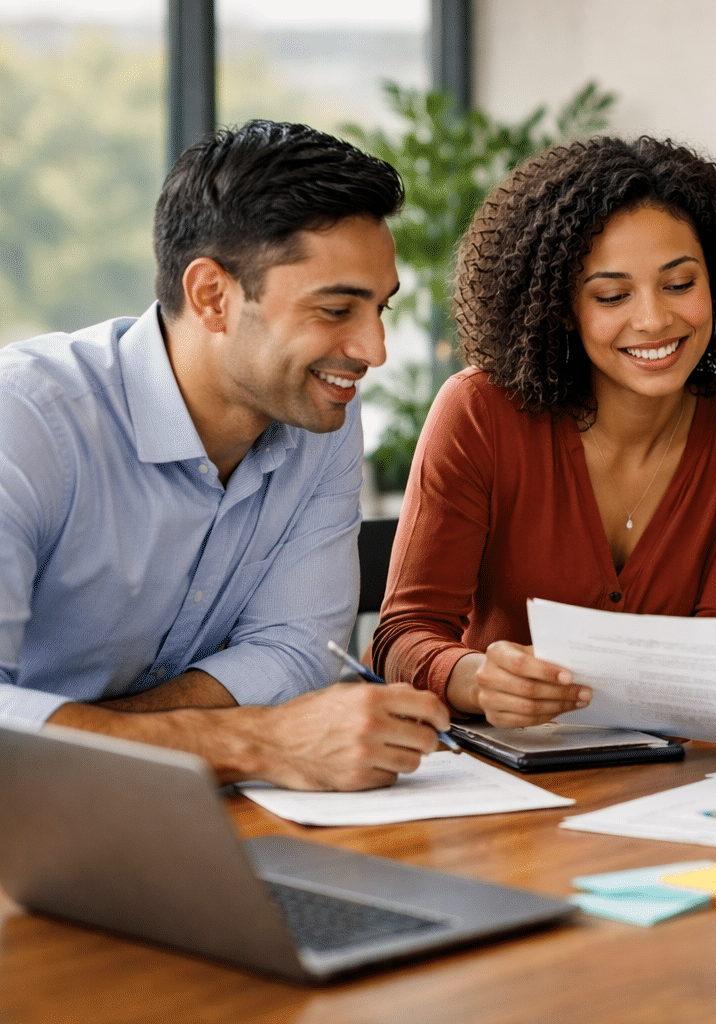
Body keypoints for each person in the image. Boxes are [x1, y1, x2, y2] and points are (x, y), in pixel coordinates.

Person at [0, 120, 451, 792]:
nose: (374, 351)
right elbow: (269, 716)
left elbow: (295, 649)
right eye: (336, 310)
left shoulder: (323, 416)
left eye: (380, 309)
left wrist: (89, 738)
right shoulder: (25, 419)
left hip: (171, 809)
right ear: (212, 296)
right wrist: (253, 741)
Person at [370, 136, 716, 727]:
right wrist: (475, 679)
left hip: (674, 764)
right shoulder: (479, 412)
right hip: (504, 761)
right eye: (612, 295)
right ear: (561, 306)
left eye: (680, 284)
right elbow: (402, 635)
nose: (654, 319)